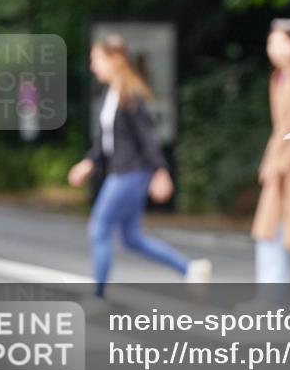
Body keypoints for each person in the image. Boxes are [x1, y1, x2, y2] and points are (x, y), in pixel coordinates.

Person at [68, 34, 211, 298]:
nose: (93, 66)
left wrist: (160, 171)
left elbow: (148, 138)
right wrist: (89, 162)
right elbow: (106, 140)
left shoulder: (131, 95)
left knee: (99, 227)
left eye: (97, 59)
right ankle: (190, 268)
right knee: (132, 238)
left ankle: (97, 295)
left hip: (130, 173)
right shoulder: (112, 93)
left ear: (116, 59)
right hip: (123, 171)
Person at [250, 18, 290, 302]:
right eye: (270, 42)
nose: (273, 48)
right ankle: (269, 298)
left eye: (280, 41)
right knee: (271, 232)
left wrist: (278, 162)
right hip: (281, 164)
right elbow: (281, 127)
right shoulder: (280, 76)